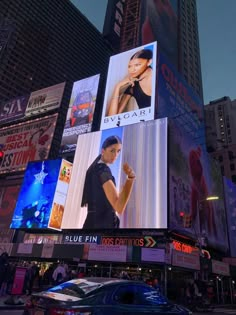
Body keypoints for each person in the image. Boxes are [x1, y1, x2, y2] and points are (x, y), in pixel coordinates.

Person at [81, 135, 135, 229]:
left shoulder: (94, 169)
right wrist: (130, 178)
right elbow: (119, 206)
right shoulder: (102, 170)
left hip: (92, 224)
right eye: (112, 150)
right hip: (104, 227)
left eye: (118, 151)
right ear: (103, 151)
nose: (116, 155)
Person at [107, 49, 153, 116]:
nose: (132, 70)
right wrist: (117, 86)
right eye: (129, 66)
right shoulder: (133, 86)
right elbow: (112, 117)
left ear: (149, 62)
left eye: (137, 65)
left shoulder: (158, 77)